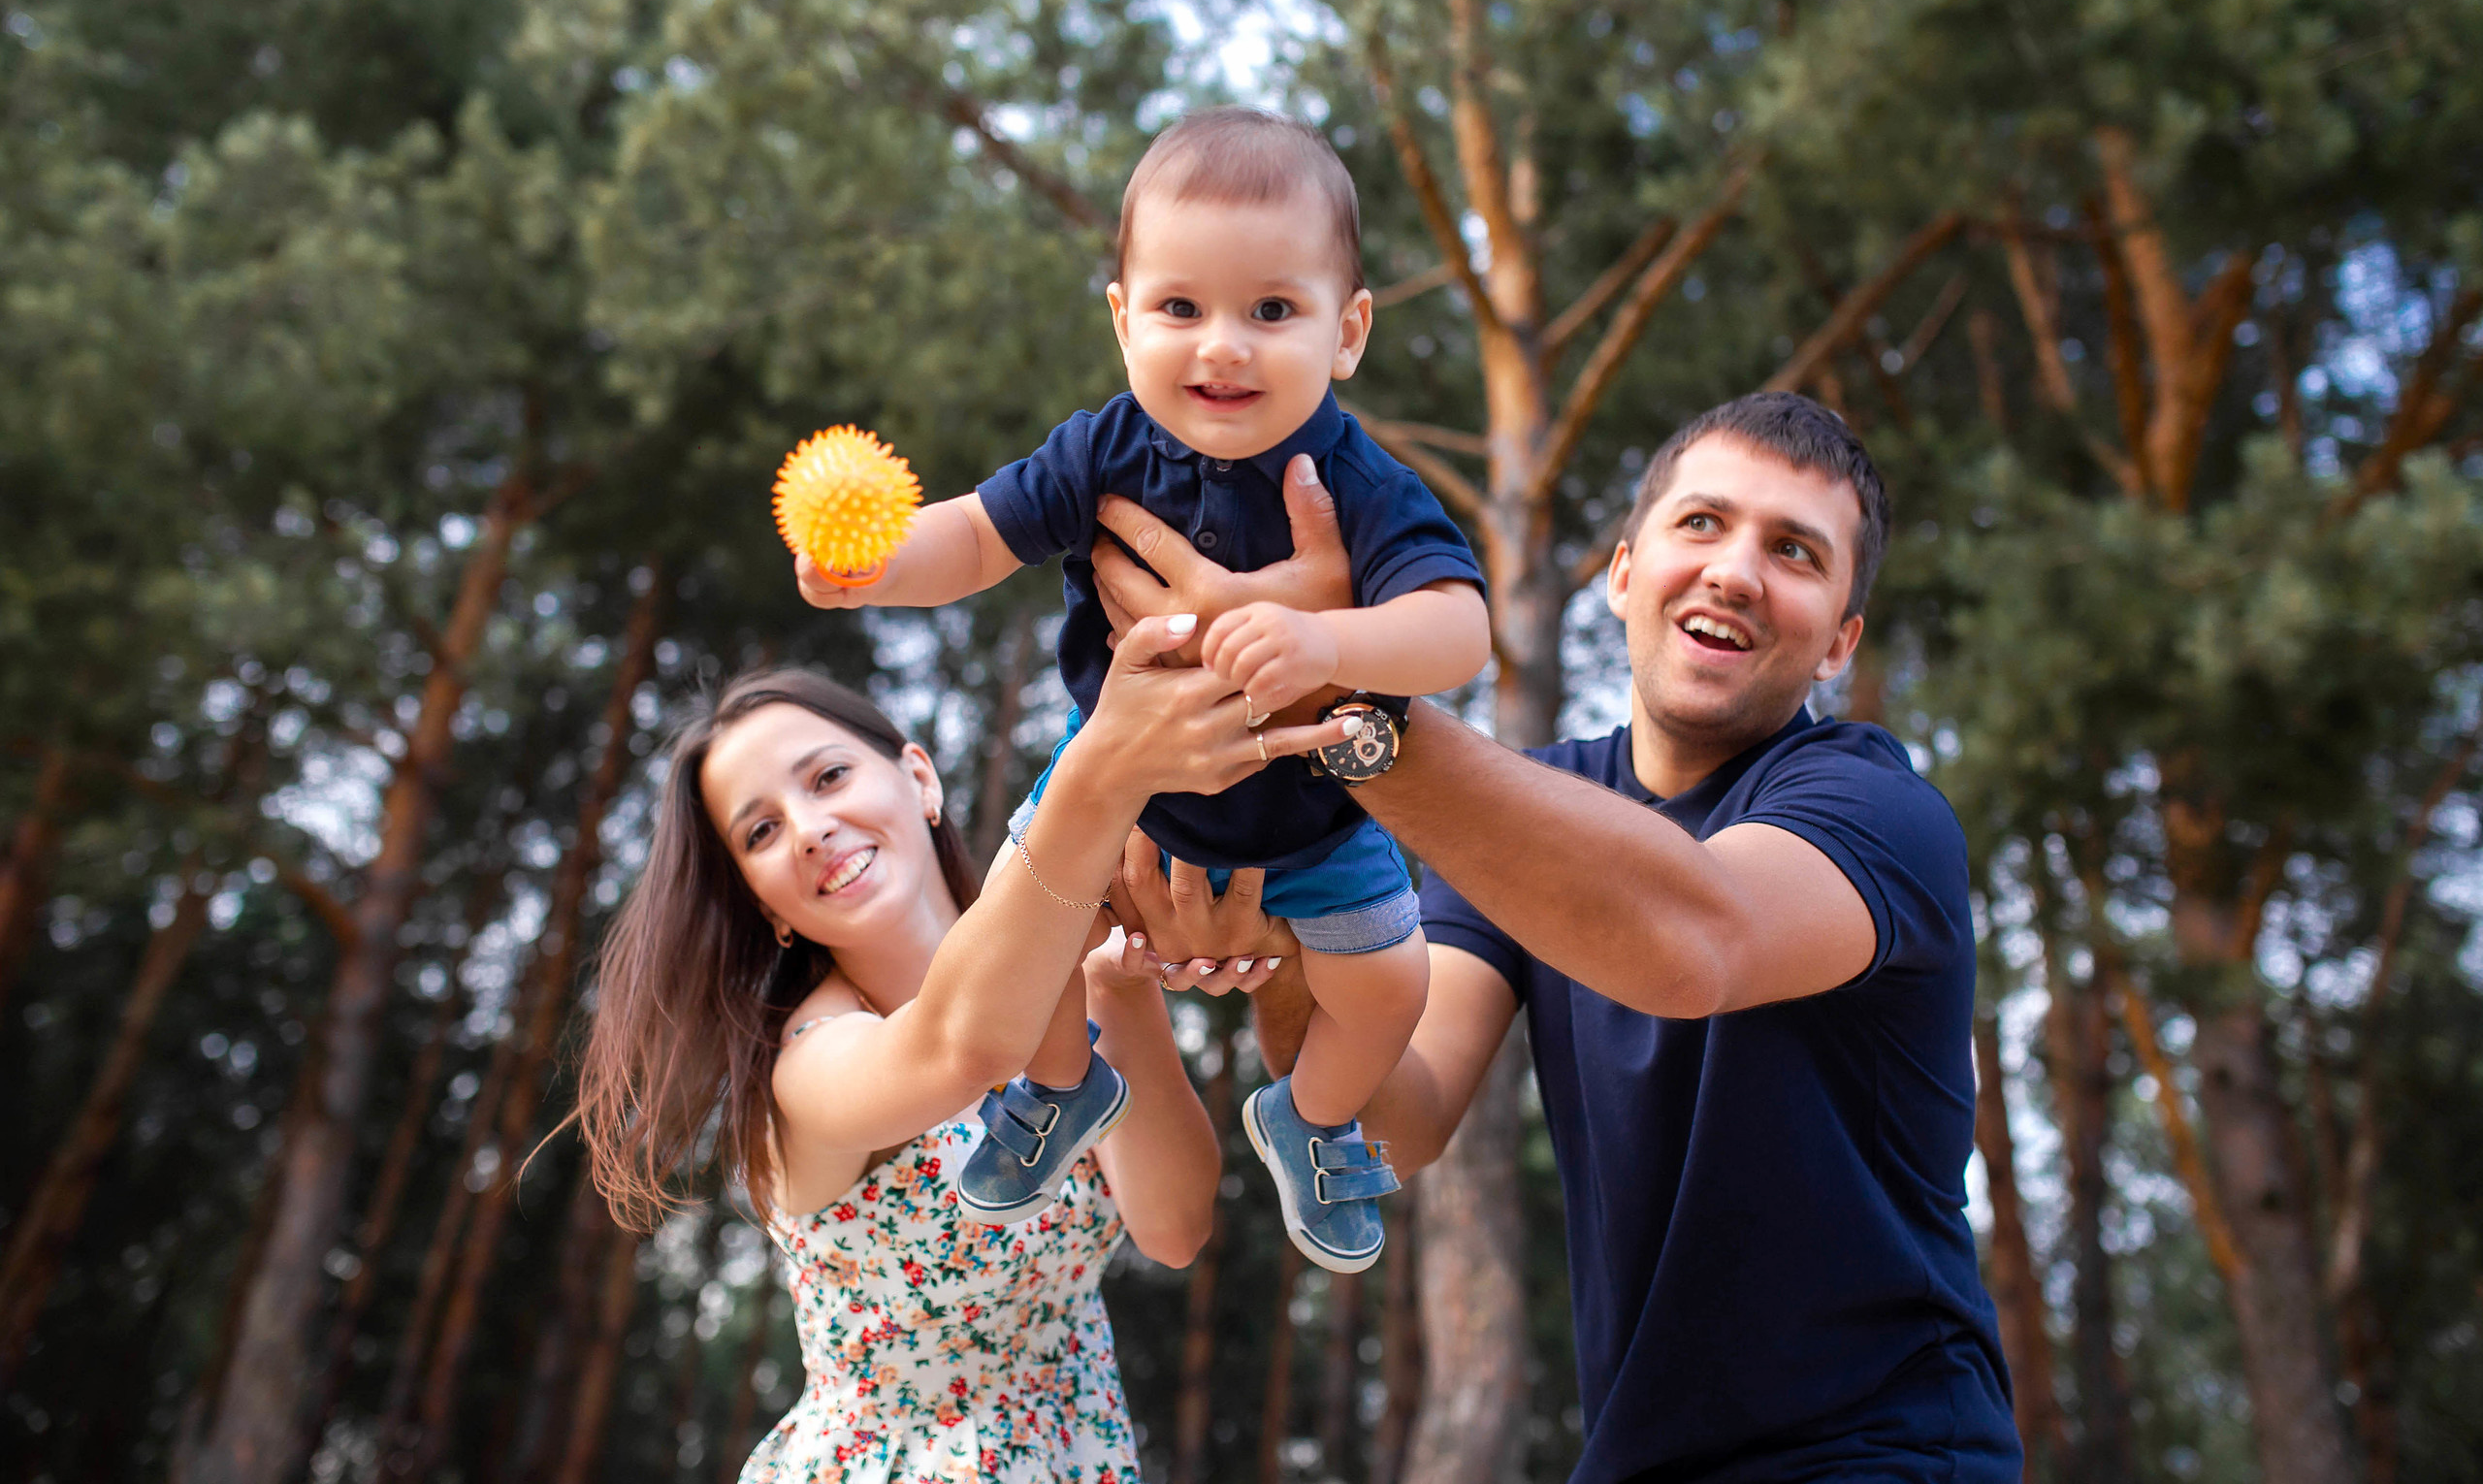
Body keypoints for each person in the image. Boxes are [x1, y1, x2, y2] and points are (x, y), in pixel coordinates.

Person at [1094, 393, 2022, 1482]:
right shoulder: (1534, 814)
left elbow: (1689, 942)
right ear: (1622, 576)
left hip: (1881, 1453)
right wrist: (1284, 951)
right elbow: (1399, 1116)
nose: (1735, 570)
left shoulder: (1877, 811)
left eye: (1795, 552)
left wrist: (1334, 696)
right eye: (1702, 524)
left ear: (1838, 643)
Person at [793, 107, 1491, 1273]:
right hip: (1116, 795)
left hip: (1312, 815)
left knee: (1393, 982)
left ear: (1349, 330)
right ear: (1123, 321)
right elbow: (972, 536)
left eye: (1271, 311)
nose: (1221, 346)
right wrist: (877, 568)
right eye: (1180, 308)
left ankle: (1308, 1121)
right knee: (1029, 945)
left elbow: (1456, 629)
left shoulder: (1358, 481)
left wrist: (1331, 644)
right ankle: (1062, 1089)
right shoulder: (1099, 451)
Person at [575, 618, 1334, 1483]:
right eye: (760, 833)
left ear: (919, 777)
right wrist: (1103, 770)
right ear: (767, 907)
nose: (811, 827)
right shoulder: (810, 1066)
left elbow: (1173, 1226)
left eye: (828, 777)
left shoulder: (1068, 981)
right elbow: (959, 1047)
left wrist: (1118, 985)